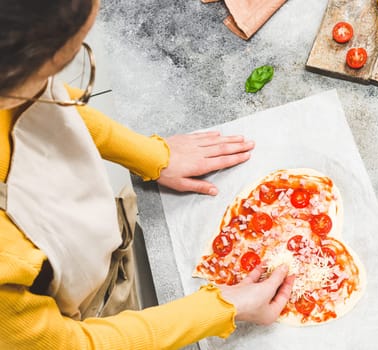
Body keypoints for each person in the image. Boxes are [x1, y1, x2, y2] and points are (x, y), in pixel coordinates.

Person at [0, 0, 295, 349]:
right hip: (77, 315)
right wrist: (221, 307)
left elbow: (50, 106)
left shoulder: (14, 76)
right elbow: (72, 345)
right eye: (71, 54)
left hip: (81, 247)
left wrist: (153, 156)